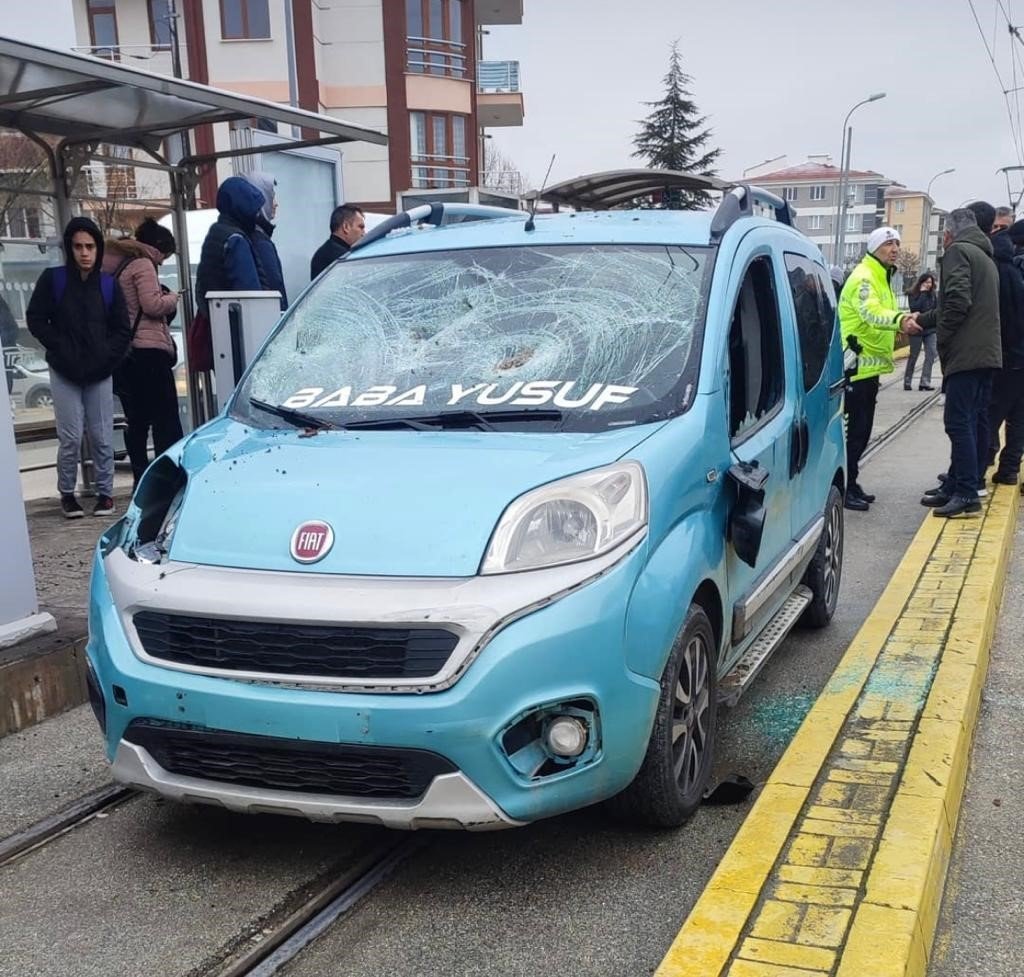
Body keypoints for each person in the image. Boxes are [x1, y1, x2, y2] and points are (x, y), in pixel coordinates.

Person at [26, 217, 131, 518]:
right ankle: (67, 493)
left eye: (90, 246)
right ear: (69, 249)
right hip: (64, 371)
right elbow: (36, 318)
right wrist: (60, 347)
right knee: (70, 436)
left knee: (101, 434)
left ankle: (105, 493)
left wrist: (106, 357)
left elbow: (122, 329)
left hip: (99, 371)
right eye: (78, 246)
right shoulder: (53, 280)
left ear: (98, 249)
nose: (84, 253)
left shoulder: (109, 286)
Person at [918, 208, 1002, 517]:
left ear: (949, 234)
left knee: (958, 422)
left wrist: (935, 329)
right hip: (986, 354)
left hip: (967, 355)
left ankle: (966, 492)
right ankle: (957, 484)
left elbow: (956, 302)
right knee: (970, 420)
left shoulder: (958, 253)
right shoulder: (985, 256)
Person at [838, 226, 922, 512]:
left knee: (862, 431)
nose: (895, 248)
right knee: (851, 433)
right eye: (889, 244)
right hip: (854, 367)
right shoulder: (864, 277)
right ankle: (844, 488)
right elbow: (870, 311)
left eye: (897, 243)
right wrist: (900, 320)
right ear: (875, 247)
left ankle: (853, 481)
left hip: (868, 370)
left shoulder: (880, 276)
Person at [102, 218, 183, 489]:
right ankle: (166, 478)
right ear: (158, 249)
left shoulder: (117, 263)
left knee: (136, 421)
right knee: (165, 420)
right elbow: (151, 305)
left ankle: (140, 478)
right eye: (164, 257)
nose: (161, 263)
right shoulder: (142, 263)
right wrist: (173, 298)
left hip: (126, 355)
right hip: (149, 353)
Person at [985, 212, 1024, 484]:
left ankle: (977, 466)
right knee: (1019, 417)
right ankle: (1009, 469)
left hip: (1010, 355)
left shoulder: (1007, 269)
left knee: (991, 413)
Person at [241, 170, 288, 308]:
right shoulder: (259, 240)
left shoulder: (247, 234)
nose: (275, 204)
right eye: (271, 196)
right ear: (260, 199)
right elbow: (275, 288)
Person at [310, 204, 366, 279]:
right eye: (361, 227)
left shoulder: (325, 252)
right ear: (346, 227)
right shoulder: (343, 257)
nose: (364, 233)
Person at [904, 273, 938, 391]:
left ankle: (925, 382)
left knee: (931, 354)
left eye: (930, 283)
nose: (929, 285)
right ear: (921, 282)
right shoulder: (913, 294)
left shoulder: (933, 295)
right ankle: (907, 380)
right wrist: (923, 293)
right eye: (926, 282)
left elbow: (935, 310)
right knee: (914, 354)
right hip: (916, 328)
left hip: (930, 329)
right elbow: (915, 308)